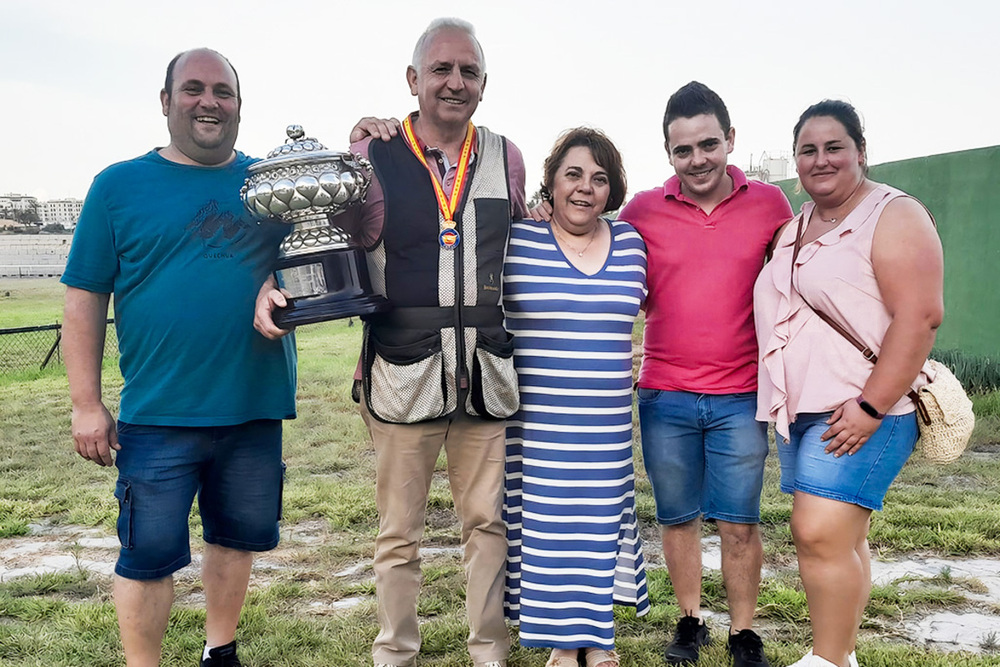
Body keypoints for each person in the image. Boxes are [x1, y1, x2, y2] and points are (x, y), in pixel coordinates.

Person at [255, 18, 526, 667]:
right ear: (414, 79)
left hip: (486, 374)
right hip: (400, 373)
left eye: (467, 71)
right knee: (398, 534)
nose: (454, 82)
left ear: (483, 85)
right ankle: (395, 653)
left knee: (488, 527)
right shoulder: (371, 158)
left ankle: (490, 650)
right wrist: (274, 282)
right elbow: (320, 242)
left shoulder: (508, 155)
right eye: (441, 69)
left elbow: (528, 244)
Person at [532, 82, 791, 667]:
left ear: (730, 140)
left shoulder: (771, 205)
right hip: (664, 393)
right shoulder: (644, 211)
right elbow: (588, 234)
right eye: (683, 149)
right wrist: (540, 206)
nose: (697, 159)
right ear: (668, 153)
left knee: (740, 522)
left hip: (740, 396)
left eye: (708, 144)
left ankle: (743, 632)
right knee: (676, 518)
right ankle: (690, 620)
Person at [62, 48, 296, 667]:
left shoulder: (270, 185)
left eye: (224, 92)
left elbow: (313, 263)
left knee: (235, 539)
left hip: (252, 403)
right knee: (147, 554)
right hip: (160, 411)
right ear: (166, 102)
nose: (209, 101)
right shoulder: (118, 186)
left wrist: (283, 286)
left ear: (239, 106)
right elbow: (84, 295)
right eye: (193, 89)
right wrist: (86, 403)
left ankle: (220, 651)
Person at [753, 100, 943, 667]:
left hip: (864, 409)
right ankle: (845, 653)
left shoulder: (893, 213)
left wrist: (870, 405)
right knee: (843, 538)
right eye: (807, 150)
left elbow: (920, 316)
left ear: (862, 150)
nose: (820, 159)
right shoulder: (793, 228)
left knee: (817, 532)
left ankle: (827, 660)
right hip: (802, 411)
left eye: (834, 146)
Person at [502, 128, 649, 667]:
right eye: (573, 174)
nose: (585, 188)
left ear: (612, 190)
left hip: (606, 422)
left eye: (599, 178)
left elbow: (668, 307)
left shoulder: (632, 242)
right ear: (551, 182)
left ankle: (600, 637)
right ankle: (565, 643)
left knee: (598, 524)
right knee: (548, 527)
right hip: (537, 422)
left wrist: (646, 356)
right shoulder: (519, 240)